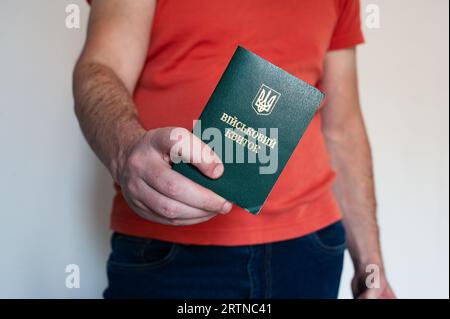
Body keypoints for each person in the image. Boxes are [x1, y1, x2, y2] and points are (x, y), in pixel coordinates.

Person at [73, 0, 395, 299]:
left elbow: (342, 128)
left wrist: (371, 263)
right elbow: (101, 67)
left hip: (310, 246)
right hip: (168, 243)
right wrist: (125, 148)